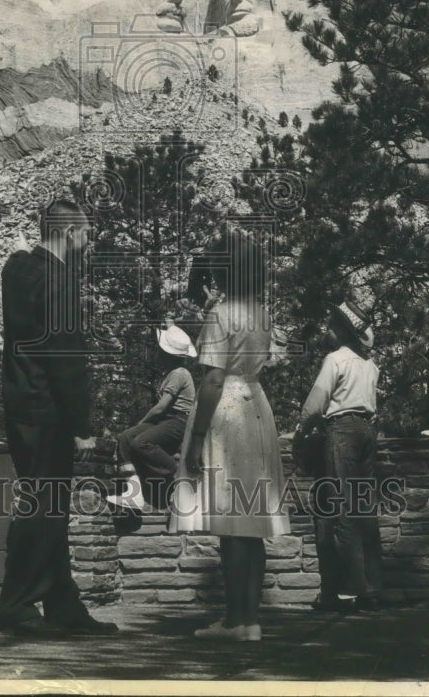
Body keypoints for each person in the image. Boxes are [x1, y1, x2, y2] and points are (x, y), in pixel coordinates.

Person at [0, 198, 118, 637]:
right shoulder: (60, 279)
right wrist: (82, 425)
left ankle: (63, 605)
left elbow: (16, 262)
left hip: (19, 405)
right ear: (68, 234)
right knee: (45, 511)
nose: (87, 243)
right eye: (84, 234)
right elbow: (66, 358)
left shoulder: (19, 271)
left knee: (42, 505)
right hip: (48, 411)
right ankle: (17, 606)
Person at [169, 230, 290, 642]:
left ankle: (236, 619)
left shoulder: (221, 314)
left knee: (231, 522)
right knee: (251, 523)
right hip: (256, 405)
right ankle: (248, 618)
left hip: (228, 413)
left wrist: (198, 436)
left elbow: (213, 379)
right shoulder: (261, 312)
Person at [297, 299, 382, 612]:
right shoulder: (369, 364)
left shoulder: (336, 360)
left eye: (332, 324)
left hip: (342, 433)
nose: (327, 329)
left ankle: (352, 590)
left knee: (342, 511)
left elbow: (315, 406)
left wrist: (301, 433)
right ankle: (373, 585)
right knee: (364, 508)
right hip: (367, 434)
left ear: (343, 330)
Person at [106, 324, 196, 511]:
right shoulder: (171, 374)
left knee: (140, 442)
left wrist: (143, 422)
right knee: (125, 438)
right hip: (167, 421)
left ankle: (173, 472)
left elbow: (161, 407)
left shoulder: (179, 374)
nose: (157, 354)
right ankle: (134, 493)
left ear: (168, 354)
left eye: (160, 351)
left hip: (179, 421)